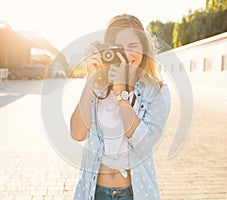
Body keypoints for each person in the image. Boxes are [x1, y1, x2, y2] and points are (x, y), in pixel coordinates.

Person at [70, 14, 170, 200]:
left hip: (134, 193)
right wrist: (91, 78)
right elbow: (77, 133)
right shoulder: (98, 88)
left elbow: (145, 144)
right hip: (94, 191)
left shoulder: (156, 91)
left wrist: (121, 95)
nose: (126, 54)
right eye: (118, 47)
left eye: (133, 46)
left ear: (144, 49)